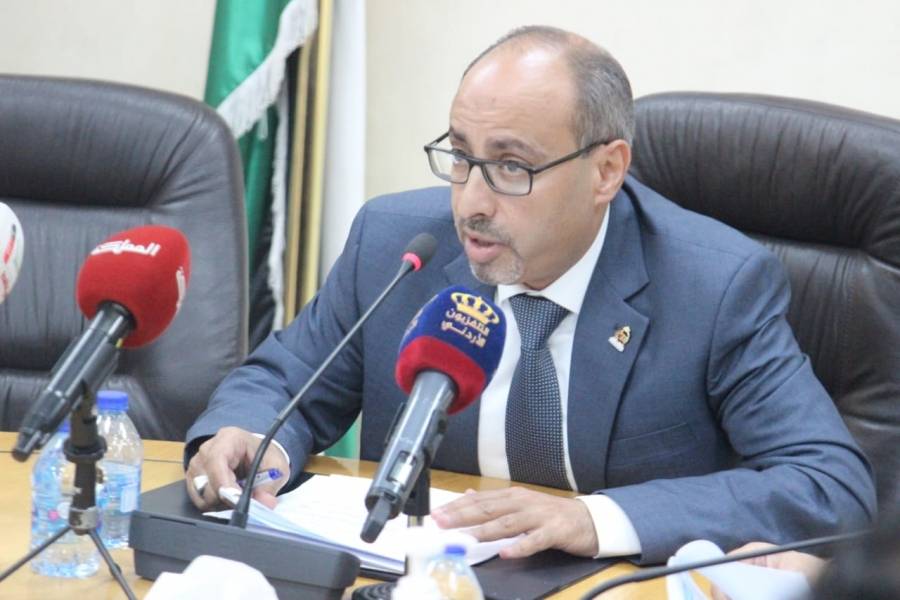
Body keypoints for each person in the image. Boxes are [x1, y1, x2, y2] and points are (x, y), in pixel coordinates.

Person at [184, 25, 876, 564]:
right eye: (461, 156)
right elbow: (284, 382)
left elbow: (829, 485)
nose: (471, 202)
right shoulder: (400, 246)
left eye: (511, 166)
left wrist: (596, 518)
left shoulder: (714, 285)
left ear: (606, 171)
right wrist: (244, 437)